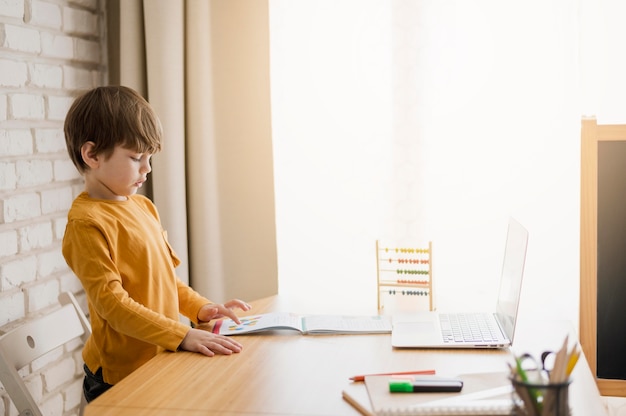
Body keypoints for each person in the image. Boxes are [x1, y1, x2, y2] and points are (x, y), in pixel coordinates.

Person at [62, 85, 251, 402]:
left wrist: (200, 308)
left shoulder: (142, 207)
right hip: (120, 378)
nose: (147, 169)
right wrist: (182, 334)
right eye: (136, 157)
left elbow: (164, 280)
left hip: (159, 359)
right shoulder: (86, 224)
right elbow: (114, 306)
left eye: (149, 157)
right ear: (92, 154)